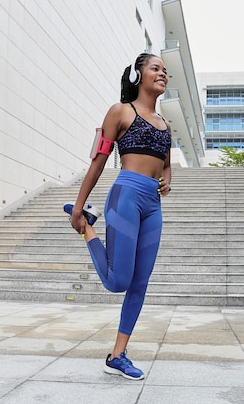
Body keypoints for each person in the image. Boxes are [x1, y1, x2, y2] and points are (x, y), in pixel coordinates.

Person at [64, 53, 172, 380]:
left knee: (140, 283)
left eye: (165, 71)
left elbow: (165, 165)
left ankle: (118, 355)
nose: (162, 74)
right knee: (117, 282)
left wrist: (168, 180)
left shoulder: (166, 125)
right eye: (155, 68)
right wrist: (80, 206)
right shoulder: (120, 111)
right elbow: (98, 161)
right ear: (138, 76)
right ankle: (88, 231)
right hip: (124, 197)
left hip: (152, 206)